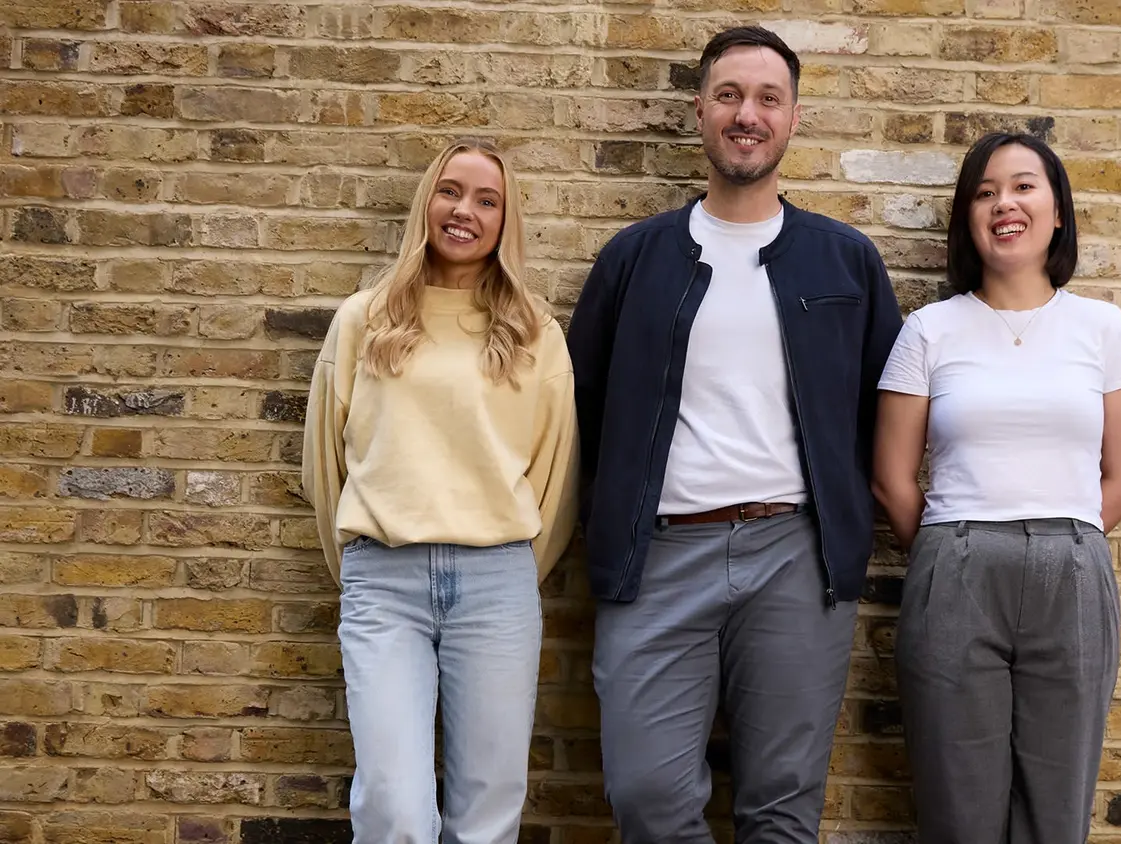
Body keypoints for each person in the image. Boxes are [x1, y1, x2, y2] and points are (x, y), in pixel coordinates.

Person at [566, 25, 903, 844]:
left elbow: (883, 410)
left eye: (766, 99)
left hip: (794, 556)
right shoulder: (634, 259)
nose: (746, 114)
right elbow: (579, 406)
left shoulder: (845, 261)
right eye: (729, 95)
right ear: (699, 111)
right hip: (657, 559)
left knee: (782, 809)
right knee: (647, 798)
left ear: (791, 119)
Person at [872, 132, 1121, 844]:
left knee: (1056, 816)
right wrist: (949, 558)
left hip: (1073, 573)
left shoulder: (1103, 328)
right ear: (969, 217)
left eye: (1024, 186)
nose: (1005, 203)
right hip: (956, 566)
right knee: (958, 812)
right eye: (985, 191)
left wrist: (1062, 545)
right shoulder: (929, 331)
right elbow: (893, 476)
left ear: (1057, 210)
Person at [301, 137, 579, 844]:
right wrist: (361, 560)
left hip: (496, 587)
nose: (465, 211)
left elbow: (555, 475)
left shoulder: (534, 333)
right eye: (451, 191)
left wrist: (508, 566)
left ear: (505, 221)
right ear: (427, 199)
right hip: (383, 582)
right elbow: (323, 466)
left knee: (488, 810)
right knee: (393, 807)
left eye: (488, 200)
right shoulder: (364, 320)